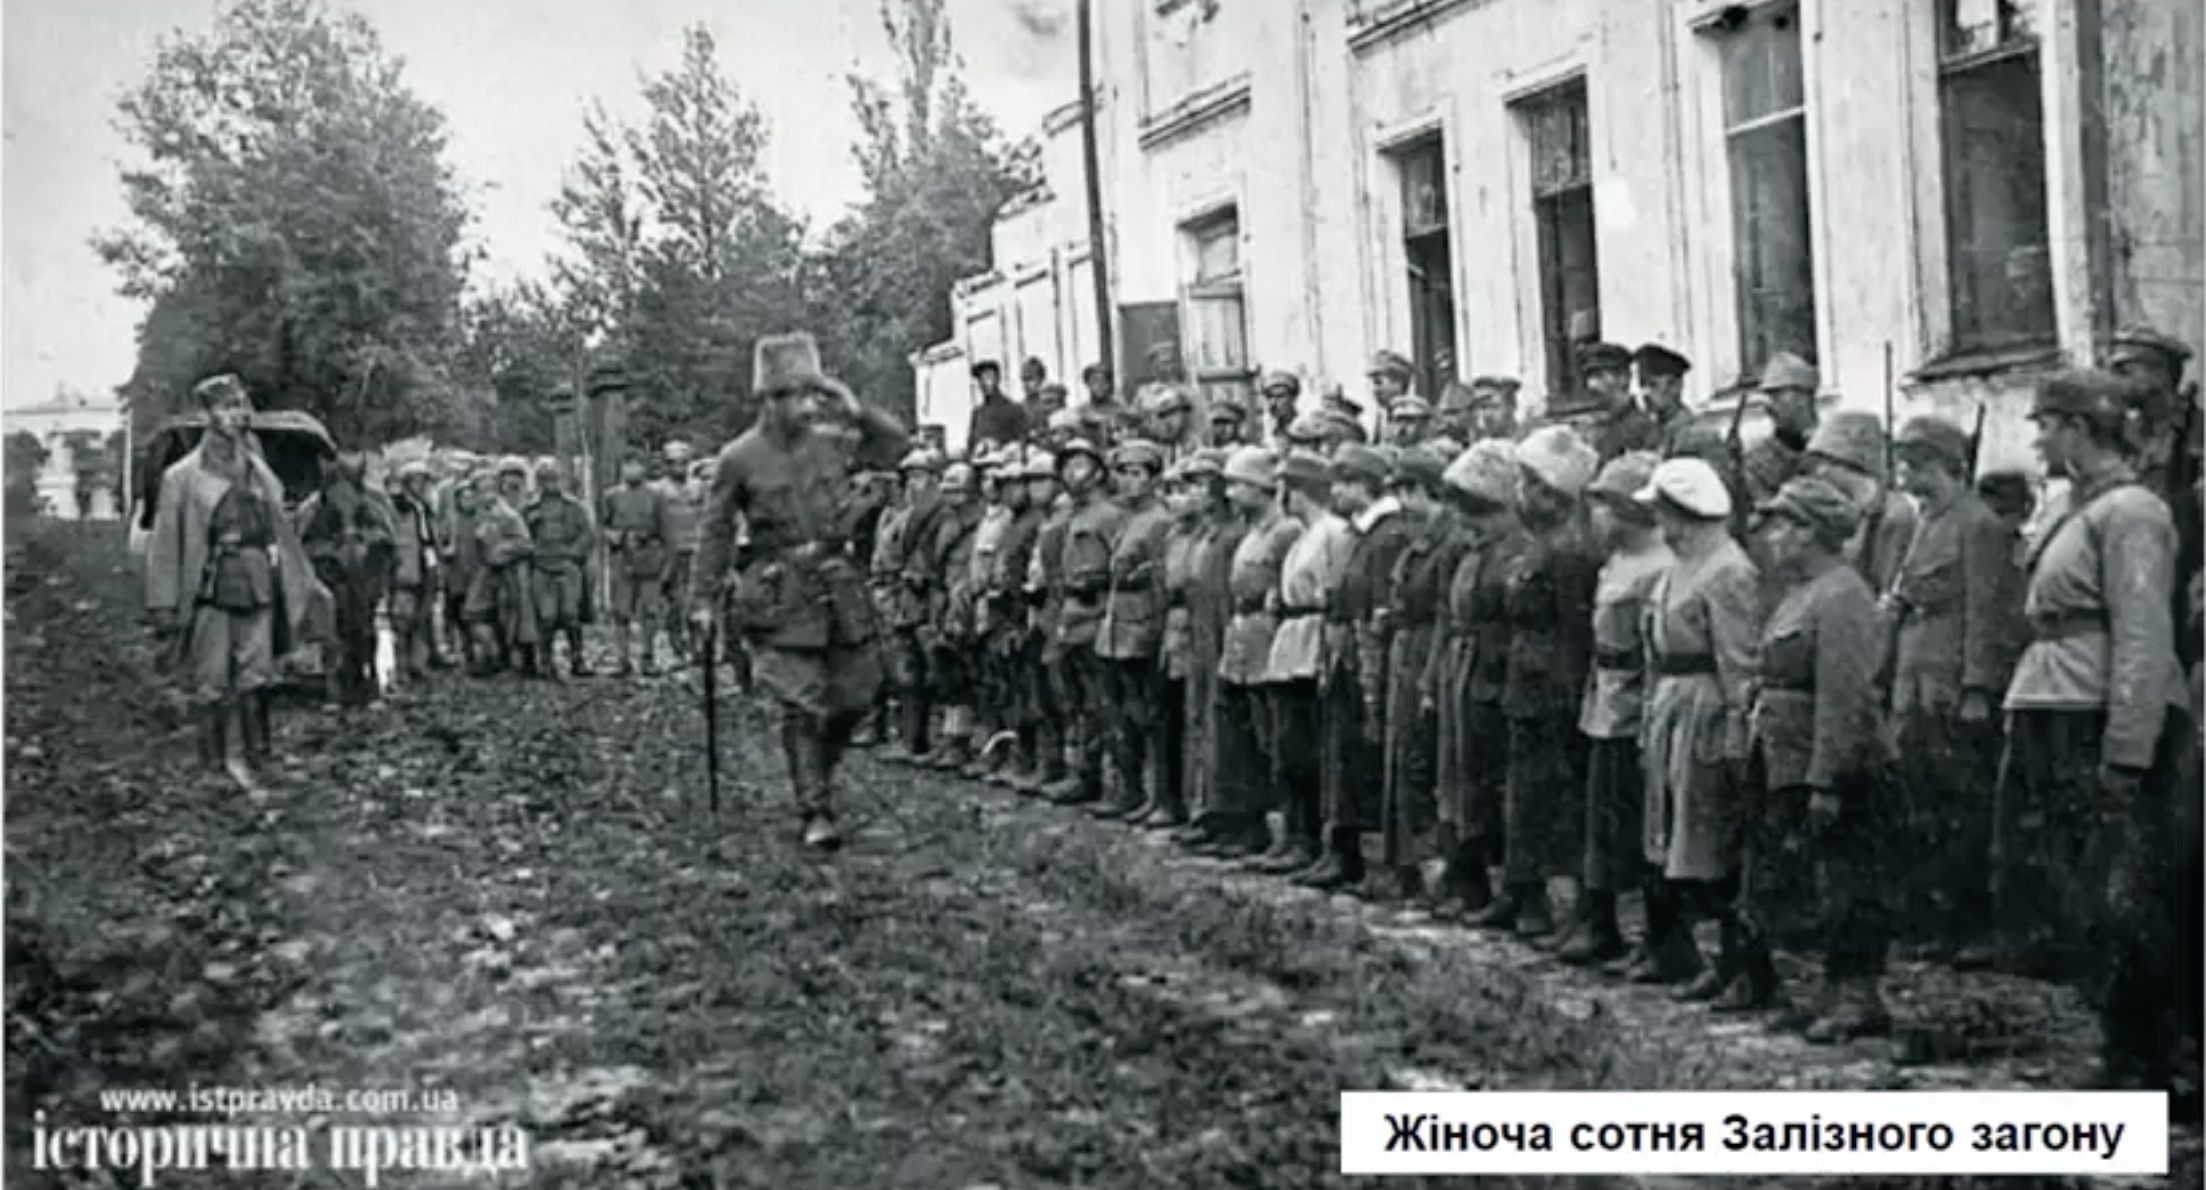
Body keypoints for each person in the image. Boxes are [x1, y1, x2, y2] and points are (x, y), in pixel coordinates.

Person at [1994, 368, 2187, 1093]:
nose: (2038, 440)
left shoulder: (2132, 512)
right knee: (2079, 890)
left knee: (2128, 891)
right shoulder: (2071, 508)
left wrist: (2128, 748)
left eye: (2046, 425)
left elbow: (2142, 634)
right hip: (2055, 709)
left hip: (2098, 717)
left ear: (2081, 429)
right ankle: (2124, 1047)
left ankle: (2152, 1060)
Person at [687, 331, 911, 852]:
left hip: (838, 585)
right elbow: (715, 532)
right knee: (799, 702)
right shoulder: (739, 458)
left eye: (812, 394)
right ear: (768, 399)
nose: (807, 406)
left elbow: (895, 447)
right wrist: (701, 600)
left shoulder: (831, 440)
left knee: (856, 697)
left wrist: (853, 406)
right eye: (794, 395)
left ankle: (819, 775)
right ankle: (816, 807)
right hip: (780, 591)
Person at [1736, 476, 1892, 1040]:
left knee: (1845, 878)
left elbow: (1844, 696)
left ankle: (1856, 994)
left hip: (1826, 763)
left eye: (1782, 526)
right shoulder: (1800, 592)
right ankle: (1821, 990)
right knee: (1799, 876)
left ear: (1809, 532)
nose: (1772, 538)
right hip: (1783, 757)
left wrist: (1828, 778)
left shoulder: (1842, 594)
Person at [1885, 414, 2021, 959]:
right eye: (1906, 466)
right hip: (1914, 681)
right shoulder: (1926, 521)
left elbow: (1986, 610)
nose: (1908, 478)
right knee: (1922, 804)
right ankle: (1933, 922)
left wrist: (1977, 687)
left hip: (1951, 686)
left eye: (1917, 467)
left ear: (1948, 467)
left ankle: (1972, 927)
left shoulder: (1978, 524)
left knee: (1963, 808)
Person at [145, 374, 319, 785]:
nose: (236, 414)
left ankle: (259, 757)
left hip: (259, 582)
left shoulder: (258, 470)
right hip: (211, 585)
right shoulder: (182, 477)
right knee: (212, 678)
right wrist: (163, 603)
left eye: (241, 405)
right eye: (226, 407)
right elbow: (166, 544)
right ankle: (214, 764)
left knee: (257, 673)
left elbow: (279, 524)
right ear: (207, 415)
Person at [1636, 456, 1760, 990]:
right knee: (1675, 831)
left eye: (1664, 513)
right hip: (1673, 704)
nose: (1659, 524)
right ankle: (1699, 954)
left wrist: (1736, 723)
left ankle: (1738, 961)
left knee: (1714, 834)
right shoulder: (1677, 566)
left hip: (1705, 706)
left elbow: (1739, 657)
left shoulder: (1728, 570)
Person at [1485, 425, 1601, 938]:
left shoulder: (1572, 551)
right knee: (1525, 794)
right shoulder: (1541, 545)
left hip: (1555, 688)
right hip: (1527, 683)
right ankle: (1522, 889)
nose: (1523, 493)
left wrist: (1568, 693)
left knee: (1558, 798)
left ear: (1556, 494)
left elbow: (1575, 632)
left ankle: (1561, 906)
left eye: (1532, 484)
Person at [1561, 450, 1668, 965]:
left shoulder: (1658, 565)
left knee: (1640, 821)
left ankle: (1655, 933)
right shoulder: (1618, 561)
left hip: (1633, 705)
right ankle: (1599, 922)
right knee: (1602, 819)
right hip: (1605, 699)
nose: (1598, 517)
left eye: (1606, 505)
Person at [1432, 440, 1524, 917]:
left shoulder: (1514, 552)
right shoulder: (1467, 552)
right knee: (1460, 777)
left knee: (1492, 781)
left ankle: (1508, 885)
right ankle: (1468, 879)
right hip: (1462, 669)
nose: (1468, 521)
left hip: (1494, 673)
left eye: (1479, 510)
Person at [1196, 446, 1301, 856]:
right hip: (1240, 640)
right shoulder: (1251, 532)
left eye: (1239, 484)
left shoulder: (1285, 531)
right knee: (1239, 739)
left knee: (1270, 739)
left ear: (1261, 487)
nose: (1231, 493)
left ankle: (1282, 829)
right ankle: (1245, 825)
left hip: (1267, 641)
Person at [1374, 444, 1466, 896]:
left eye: (1414, 492)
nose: (1406, 503)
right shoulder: (1415, 542)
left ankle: (1436, 867)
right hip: (1405, 652)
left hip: (1430, 654)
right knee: (1402, 755)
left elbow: (1445, 613)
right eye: (1401, 492)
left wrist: (1429, 678)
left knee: (1425, 760)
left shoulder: (1450, 544)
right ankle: (1405, 863)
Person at [1042, 435, 1127, 806]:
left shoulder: (1109, 515)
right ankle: (1082, 774)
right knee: (1075, 702)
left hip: (1097, 614)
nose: (1072, 474)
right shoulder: (1071, 516)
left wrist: (1098, 585)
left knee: (1103, 703)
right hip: (1072, 616)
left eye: (1080, 465)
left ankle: (1114, 782)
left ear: (1098, 472)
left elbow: (1120, 565)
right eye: (1066, 466)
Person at [1092, 439, 1174, 819]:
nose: (1128, 481)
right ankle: (1131, 790)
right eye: (1122, 473)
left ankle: (1159, 796)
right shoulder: (1128, 518)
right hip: (1118, 624)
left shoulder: (1159, 521)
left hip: (1142, 625)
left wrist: (1155, 629)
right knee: (1123, 712)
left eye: (1137, 473)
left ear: (1154, 479)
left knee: (1150, 714)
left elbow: (1158, 580)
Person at [1174, 449, 1243, 830]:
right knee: (1198, 718)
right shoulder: (1201, 536)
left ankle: (1226, 812)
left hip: (1221, 635)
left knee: (1222, 723)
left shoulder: (1232, 536)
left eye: (1202, 484)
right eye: (1191, 485)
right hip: (1199, 636)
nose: (1195, 493)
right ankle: (1202, 807)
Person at [299, 452, 395, 706]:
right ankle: (335, 686)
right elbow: (302, 544)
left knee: (365, 626)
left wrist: (364, 543)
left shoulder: (373, 503)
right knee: (332, 628)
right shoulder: (314, 508)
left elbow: (386, 538)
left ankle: (370, 681)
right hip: (331, 574)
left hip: (364, 575)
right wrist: (330, 552)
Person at [912, 461, 985, 770]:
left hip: (965, 600)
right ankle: (950, 737)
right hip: (942, 597)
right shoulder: (944, 521)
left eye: (958, 490)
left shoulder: (980, 522)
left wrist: (961, 602)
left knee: (964, 672)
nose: (952, 495)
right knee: (945, 674)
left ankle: (963, 741)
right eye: (949, 490)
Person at [1803, 411, 1918, 597]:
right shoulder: (1839, 507)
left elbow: (1887, 589)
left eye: (1827, 462)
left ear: (1852, 463)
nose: (1820, 472)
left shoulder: (1895, 516)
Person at [467, 460, 539, 676]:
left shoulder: (507, 514)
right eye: (481, 490)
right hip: (485, 572)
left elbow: (525, 543)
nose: (486, 494)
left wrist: (501, 550)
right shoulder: (478, 512)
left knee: (517, 615)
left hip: (512, 572)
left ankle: (523, 661)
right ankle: (493, 657)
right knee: (481, 614)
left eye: (490, 489)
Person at [602, 459, 671, 677]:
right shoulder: (611, 496)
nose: (632, 469)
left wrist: (666, 563)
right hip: (622, 559)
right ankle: (622, 659)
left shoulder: (656, 496)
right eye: (628, 464)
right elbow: (602, 526)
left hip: (650, 559)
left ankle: (648, 658)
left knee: (649, 611)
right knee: (621, 611)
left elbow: (667, 532)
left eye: (637, 464)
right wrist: (616, 537)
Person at [529, 460, 596, 678]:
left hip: (568, 567)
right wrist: (533, 550)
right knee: (546, 616)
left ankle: (577, 659)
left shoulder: (574, 507)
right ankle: (546, 661)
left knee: (571, 614)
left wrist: (573, 554)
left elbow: (587, 535)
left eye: (554, 478)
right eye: (545, 479)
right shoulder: (530, 508)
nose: (551, 483)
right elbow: (520, 536)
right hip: (541, 567)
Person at [1739, 352, 1821, 507]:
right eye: (1768, 396)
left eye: (1777, 395)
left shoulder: (1832, 450)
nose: (1768, 406)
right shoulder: (1757, 462)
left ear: (1803, 397)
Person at [387, 461, 441, 686]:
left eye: (424, 482)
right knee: (403, 619)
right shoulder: (397, 507)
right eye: (417, 481)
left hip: (426, 565)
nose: (421, 486)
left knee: (423, 616)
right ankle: (401, 667)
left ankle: (418, 663)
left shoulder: (425, 508)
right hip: (405, 567)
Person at [661, 442, 707, 663]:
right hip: (671, 552)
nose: (677, 467)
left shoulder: (699, 487)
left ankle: (698, 647)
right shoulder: (659, 489)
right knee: (676, 602)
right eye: (672, 462)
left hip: (696, 549)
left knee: (696, 600)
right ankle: (677, 647)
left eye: (682, 462)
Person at [1583, 343, 1658, 463]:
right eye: (1589, 376)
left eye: (1599, 376)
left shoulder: (1643, 429)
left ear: (1624, 377)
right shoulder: (1591, 425)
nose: (1591, 384)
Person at [1635, 344, 1694, 455]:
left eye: (1652, 385)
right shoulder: (1651, 426)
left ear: (1675, 387)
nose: (1645, 394)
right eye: (1644, 387)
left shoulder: (1689, 432)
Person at [967, 360, 1029, 449]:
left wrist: (998, 445)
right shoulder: (977, 414)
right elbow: (970, 446)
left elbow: (1022, 442)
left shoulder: (1013, 409)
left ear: (998, 379)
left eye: (988, 377)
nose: (983, 383)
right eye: (980, 379)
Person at [1466, 376, 1521, 443]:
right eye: (1483, 407)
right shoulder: (1481, 442)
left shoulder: (1527, 442)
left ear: (1512, 406)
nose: (1487, 414)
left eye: (1494, 406)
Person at [1259, 371, 1302, 447]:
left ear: (1293, 398)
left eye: (1280, 396)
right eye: (1269, 396)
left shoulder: (1303, 425)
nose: (1273, 402)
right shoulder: (1262, 427)